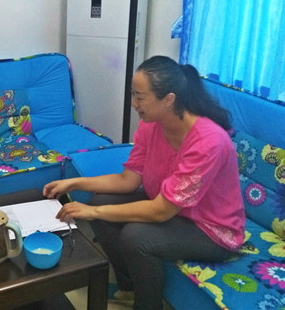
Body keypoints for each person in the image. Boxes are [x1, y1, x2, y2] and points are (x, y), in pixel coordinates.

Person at [43, 56, 245, 310]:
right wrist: (74, 184)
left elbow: (161, 211)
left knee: (136, 236)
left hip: (210, 228)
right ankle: (129, 287)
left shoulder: (208, 142)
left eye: (140, 97)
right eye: (133, 94)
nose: (133, 103)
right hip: (173, 208)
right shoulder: (152, 125)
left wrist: (93, 212)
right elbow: (127, 180)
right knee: (100, 201)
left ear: (168, 99)